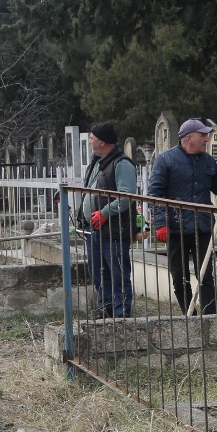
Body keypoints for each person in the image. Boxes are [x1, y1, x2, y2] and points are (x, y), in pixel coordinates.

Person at [147, 118, 217, 314]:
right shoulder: (165, 160)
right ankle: (190, 316)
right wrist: (160, 223)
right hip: (176, 227)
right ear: (188, 138)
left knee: (206, 276)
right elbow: (155, 194)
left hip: (203, 227)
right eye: (203, 135)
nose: (206, 139)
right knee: (179, 277)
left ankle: (209, 318)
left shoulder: (207, 160)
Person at [80, 121, 139, 317]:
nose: (90, 141)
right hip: (94, 229)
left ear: (103, 142)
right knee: (99, 274)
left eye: (92, 138)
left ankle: (121, 315)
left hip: (114, 231)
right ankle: (104, 311)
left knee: (117, 274)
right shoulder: (97, 162)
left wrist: (104, 213)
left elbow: (126, 196)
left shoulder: (122, 164)